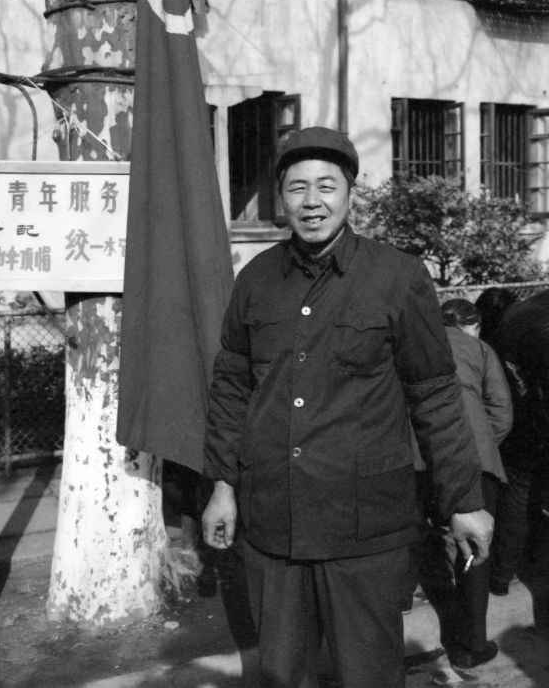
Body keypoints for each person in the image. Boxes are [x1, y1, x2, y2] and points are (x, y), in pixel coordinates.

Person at [201, 126, 493, 688]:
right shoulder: (255, 280)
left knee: (369, 676)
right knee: (284, 675)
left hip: (366, 528)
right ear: (280, 198)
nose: (313, 202)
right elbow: (232, 389)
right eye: (298, 188)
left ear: (349, 192)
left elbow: (435, 395)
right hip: (273, 526)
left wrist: (463, 500)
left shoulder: (398, 276)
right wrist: (221, 486)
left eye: (327, 186)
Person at [419, 298, 511, 669]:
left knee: (410, 539)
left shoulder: (413, 344)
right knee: (474, 547)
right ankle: (471, 643)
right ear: (471, 324)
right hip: (473, 455)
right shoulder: (479, 348)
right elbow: (502, 411)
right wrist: (483, 446)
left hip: (417, 457)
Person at [489, 289, 549, 595]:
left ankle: (502, 575)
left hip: (518, 424)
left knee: (519, 497)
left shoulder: (520, 315)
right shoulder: (538, 319)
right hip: (534, 423)